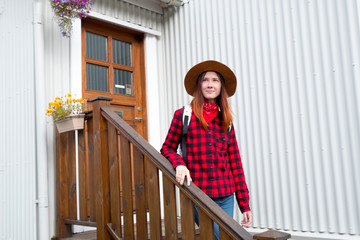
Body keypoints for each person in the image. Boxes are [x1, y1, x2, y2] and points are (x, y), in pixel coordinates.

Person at [160, 60, 252, 239]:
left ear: (221, 87)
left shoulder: (226, 121)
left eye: (215, 80)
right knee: (217, 236)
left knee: (225, 236)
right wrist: (179, 164)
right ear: (199, 85)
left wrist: (244, 204)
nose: (210, 84)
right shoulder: (183, 115)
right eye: (206, 80)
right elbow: (167, 148)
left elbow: (236, 163)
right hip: (198, 192)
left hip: (226, 194)